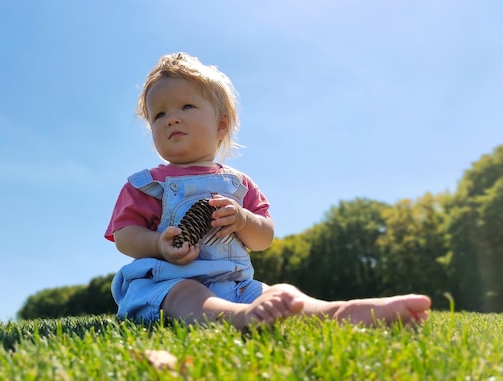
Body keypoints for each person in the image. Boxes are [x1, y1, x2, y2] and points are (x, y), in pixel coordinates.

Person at [105, 52, 431, 330]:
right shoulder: (147, 183)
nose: (171, 119)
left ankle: (337, 312)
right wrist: (158, 245)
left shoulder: (239, 185)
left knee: (283, 292)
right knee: (189, 294)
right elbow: (125, 236)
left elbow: (264, 238)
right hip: (166, 286)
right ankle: (239, 319)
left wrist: (244, 220)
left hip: (236, 286)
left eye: (186, 107)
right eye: (159, 114)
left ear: (220, 125)